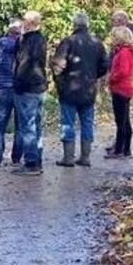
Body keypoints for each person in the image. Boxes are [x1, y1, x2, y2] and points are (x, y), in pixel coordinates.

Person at [52, 12, 109, 167]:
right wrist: (94, 76)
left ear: (74, 25)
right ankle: (85, 157)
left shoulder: (68, 42)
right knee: (87, 123)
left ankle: (68, 157)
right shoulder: (97, 43)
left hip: (69, 90)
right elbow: (105, 65)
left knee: (67, 123)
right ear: (87, 25)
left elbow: (58, 65)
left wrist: (59, 82)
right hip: (89, 90)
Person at [12, 11, 48, 176]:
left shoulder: (29, 41)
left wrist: (18, 84)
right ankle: (37, 160)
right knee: (36, 125)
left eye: (24, 21)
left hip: (27, 87)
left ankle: (31, 163)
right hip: (39, 86)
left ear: (30, 23)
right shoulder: (41, 39)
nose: (22, 24)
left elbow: (24, 64)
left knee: (28, 126)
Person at [0, 19, 23, 166]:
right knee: (20, 126)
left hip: (3, 88)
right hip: (20, 89)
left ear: (8, 31)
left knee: (0, 125)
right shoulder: (24, 45)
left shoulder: (1, 43)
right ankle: (16, 158)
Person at [106, 26, 133, 159]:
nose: (112, 39)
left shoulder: (124, 52)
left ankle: (120, 150)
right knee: (124, 120)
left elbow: (123, 71)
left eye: (114, 36)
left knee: (121, 121)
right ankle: (126, 149)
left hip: (120, 88)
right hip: (125, 87)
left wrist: (112, 78)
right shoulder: (129, 51)